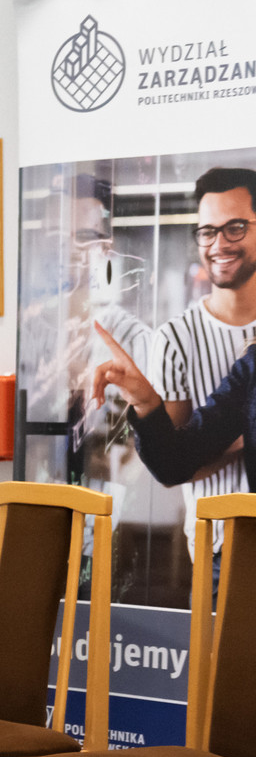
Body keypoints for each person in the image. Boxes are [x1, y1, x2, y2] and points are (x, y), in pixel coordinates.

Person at [142, 168, 256, 570]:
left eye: (235, 228)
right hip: (221, 548)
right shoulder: (175, 338)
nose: (219, 244)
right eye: (207, 232)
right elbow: (175, 465)